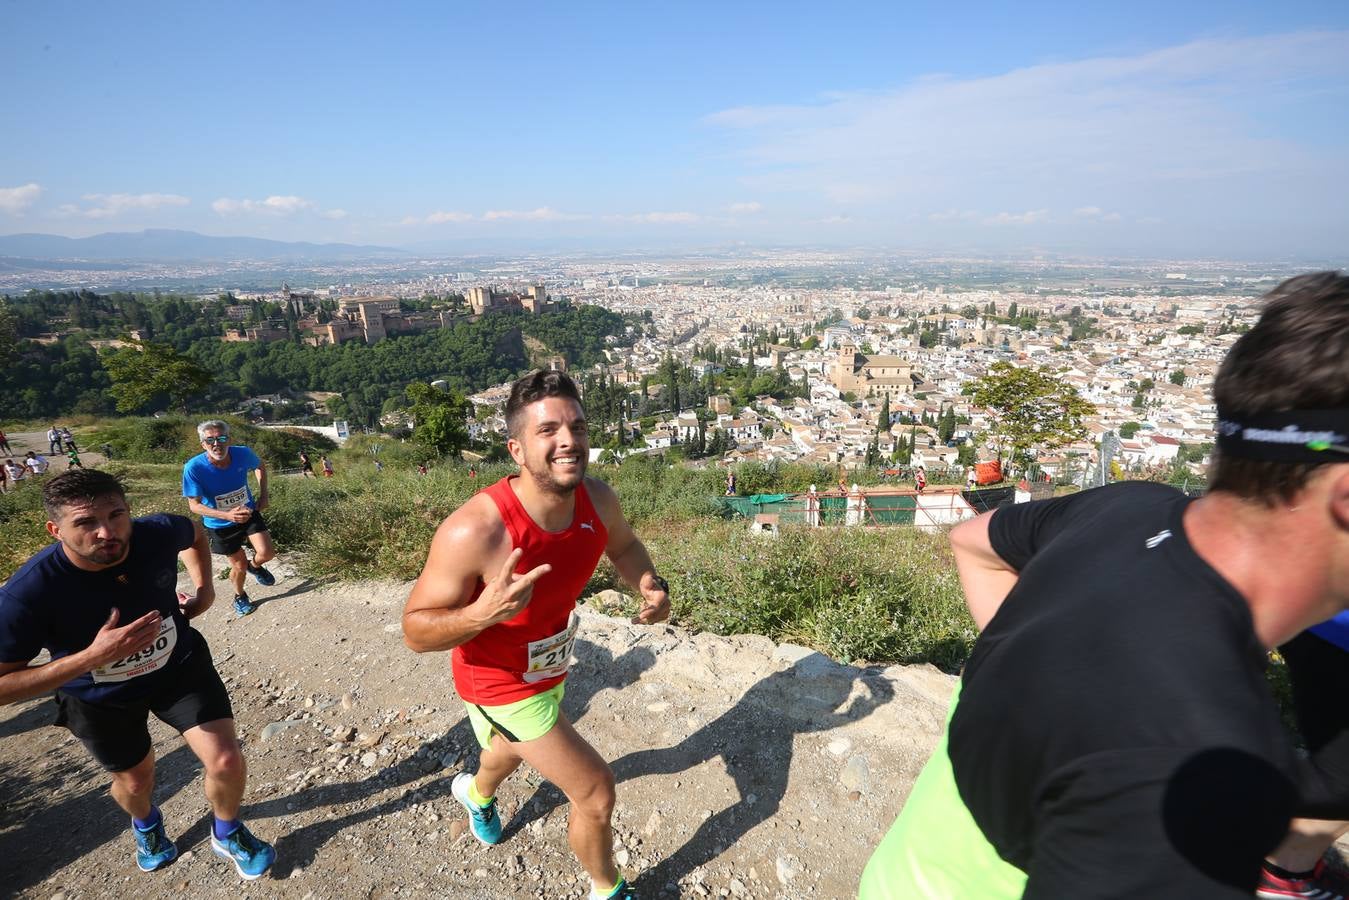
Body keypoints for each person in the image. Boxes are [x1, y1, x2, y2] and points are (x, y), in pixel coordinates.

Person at [860, 271, 1349, 899]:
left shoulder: (1121, 509)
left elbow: (971, 542)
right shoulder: (1200, 772)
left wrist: (1031, 664)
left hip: (903, 872)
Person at [403, 370, 670, 900]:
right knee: (594, 790)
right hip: (497, 679)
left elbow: (623, 545)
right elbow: (415, 629)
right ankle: (606, 888)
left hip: (549, 663)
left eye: (576, 426)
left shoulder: (598, 498)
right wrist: (483, 612)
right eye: (548, 430)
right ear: (517, 450)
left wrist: (649, 583)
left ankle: (477, 794)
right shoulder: (477, 529)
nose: (568, 439)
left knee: (509, 748)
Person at [0, 469, 276, 879]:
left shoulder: (157, 532)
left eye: (116, 515)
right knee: (135, 782)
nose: (106, 532)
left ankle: (227, 830)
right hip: (100, 698)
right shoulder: (27, 593)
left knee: (226, 758)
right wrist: (92, 657)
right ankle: (146, 825)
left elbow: (195, 532)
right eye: (86, 523)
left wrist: (205, 591)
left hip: (178, 669)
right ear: (55, 530)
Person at [181, 420, 278, 617]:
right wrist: (227, 514)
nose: (217, 444)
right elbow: (194, 505)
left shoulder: (242, 454)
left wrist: (264, 494)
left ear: (229, 440)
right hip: (219, 524)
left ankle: (256, 566)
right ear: (203, 444)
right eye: (210, 440)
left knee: (267, 553)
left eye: (221, 438)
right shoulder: (194, 468)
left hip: (248, 512)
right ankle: (240, 596)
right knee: (238, 566)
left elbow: (260, 466)